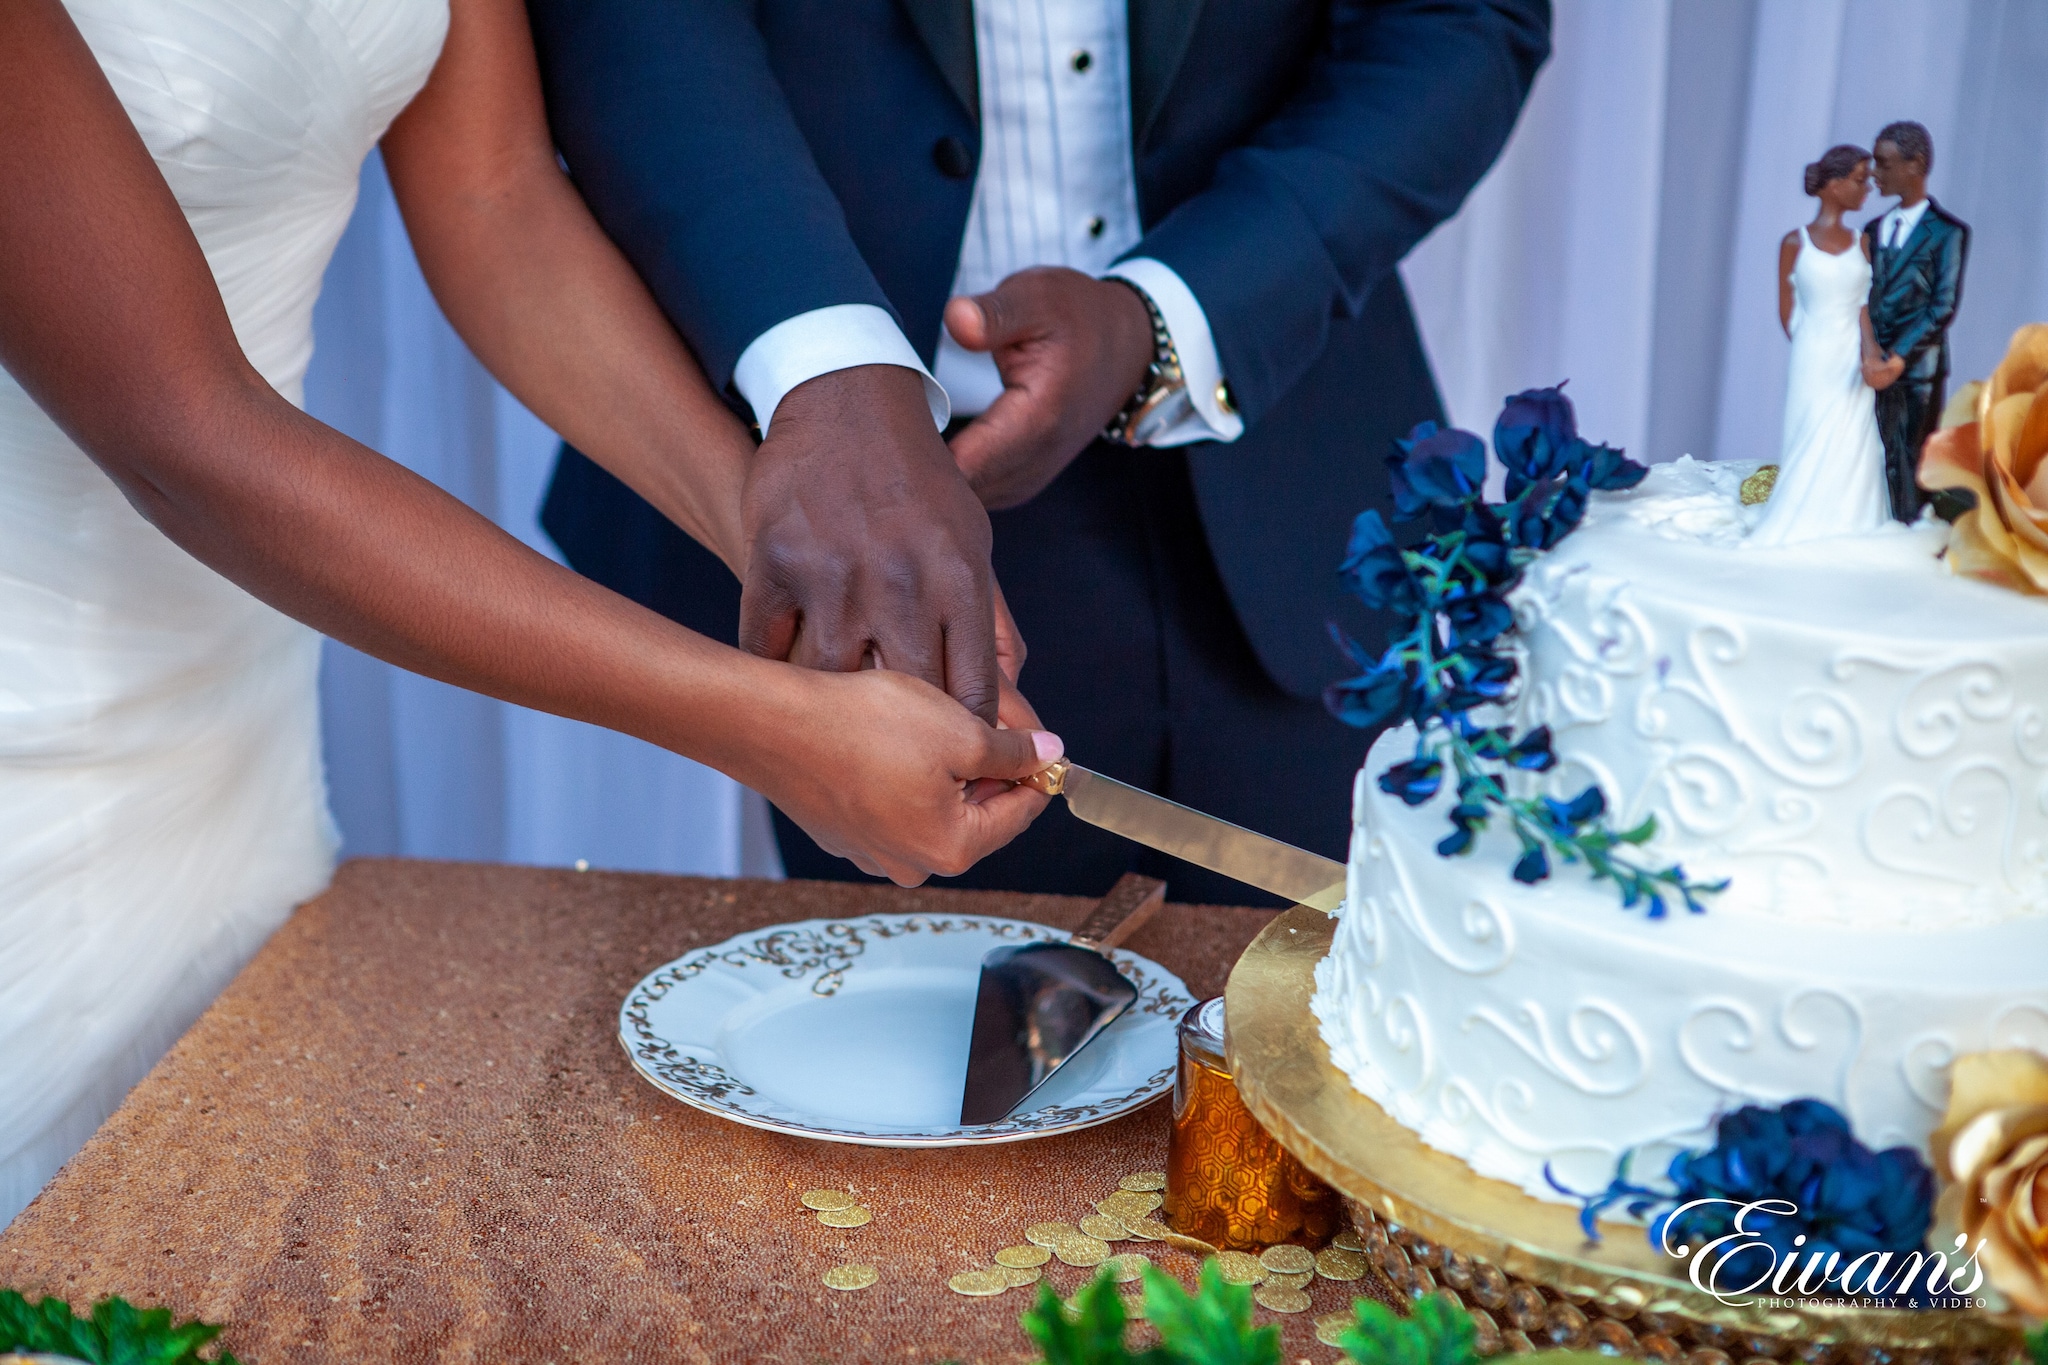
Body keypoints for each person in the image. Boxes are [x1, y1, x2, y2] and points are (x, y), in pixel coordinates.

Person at [0, 0, 1058, 1229]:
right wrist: (765, 720)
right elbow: (183, 432)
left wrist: (810, 557)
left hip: (228, 729)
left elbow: (497, 196)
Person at [530, 0, 1551, 901]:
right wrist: (825, 372)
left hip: (1292, 472)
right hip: (823, 494)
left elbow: (1456, 20)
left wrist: (1169, 318)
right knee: (923, 1079)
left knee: (1321, 1041)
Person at [1748, 144, 1892, 549]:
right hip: (1812, 357)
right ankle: (1800, 512)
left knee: (1852, 436)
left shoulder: (1862, 243)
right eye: (1860, 180)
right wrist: (1811, 343)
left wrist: (1868, 351)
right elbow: (1787, 310)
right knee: (1808, 430)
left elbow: (1864, 306)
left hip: (1851, 359)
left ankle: (1849, 518)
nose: (1867, 190)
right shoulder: (1795, 243)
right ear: (1833, 184)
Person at [1862, 120, 1970, 524]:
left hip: (1916, 371)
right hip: (1872, 368)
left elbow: (1941, 306)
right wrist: (1870, 352)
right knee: (1871, 454)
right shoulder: (1874, 231)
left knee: (1910, 462)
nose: (1875, 173)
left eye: (1885, 164)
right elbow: (1865, 299)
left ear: (1916, 164)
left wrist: (1899, 357)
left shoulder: (1947, 233)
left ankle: (1908, 538)